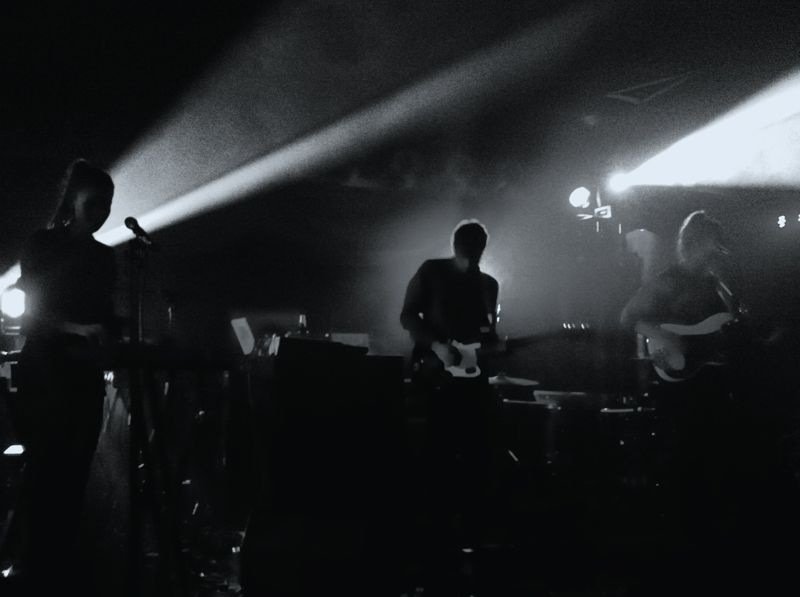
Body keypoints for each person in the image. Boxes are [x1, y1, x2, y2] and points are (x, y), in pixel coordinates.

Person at [11, 159, 116, 588]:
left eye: (107, 204)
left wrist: (117, 336)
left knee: (74, 478)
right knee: (45, 473)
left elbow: (104, 315)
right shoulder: (41, 245)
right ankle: (35, 567)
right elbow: (33, 316)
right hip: (45, 375)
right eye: (95, 203)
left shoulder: (104, 257)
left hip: (82, 379)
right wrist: (79, 329)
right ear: (72, 200)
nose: (102, 212)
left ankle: (57, 567)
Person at [400, 219, 500, 593]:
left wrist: (493, 348)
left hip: (472, 381)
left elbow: (487, 333)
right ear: (457, 244)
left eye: (478, 245)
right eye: (468, 244)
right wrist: (438, 346)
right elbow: (407, 315)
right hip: (436, 376)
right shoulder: (432, 271)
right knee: (436, 453)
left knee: (474, 455)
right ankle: (433, 538)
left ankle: (466, 538)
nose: (473, 251)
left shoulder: (489, 285)